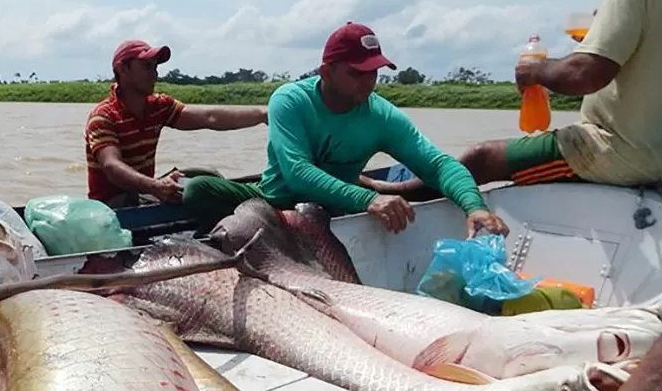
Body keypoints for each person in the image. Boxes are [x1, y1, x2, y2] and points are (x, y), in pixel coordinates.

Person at [181, 22, 508, 237]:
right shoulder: (290, 100)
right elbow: (296, 173)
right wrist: (369, 199)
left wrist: (475, 206)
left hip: (336, 209)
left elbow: (438, 165)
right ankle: (228, 241)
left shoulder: (381, 115)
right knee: (198, 190)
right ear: (326, 70)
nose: (369, 82)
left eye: (374, 72)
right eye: (357, 73)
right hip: (273, 203)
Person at [391, 0, 662, 194]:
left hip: (624, 150)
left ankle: (393, 193)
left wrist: (534, 71)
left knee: (481, 159)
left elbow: (584, 74)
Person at [84, 39, 269, 209]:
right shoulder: (103, 116)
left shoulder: (158, 107)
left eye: (155, 67)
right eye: (147, 67)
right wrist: (155, 186)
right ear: (122, 69)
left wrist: (263, 115)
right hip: (111, 207)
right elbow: (112, 166)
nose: (154, 75)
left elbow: (210, 117)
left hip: (143, 192)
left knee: (205, 176)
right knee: (188, 192)